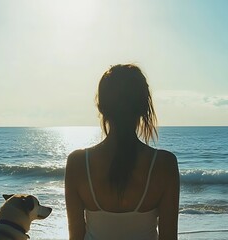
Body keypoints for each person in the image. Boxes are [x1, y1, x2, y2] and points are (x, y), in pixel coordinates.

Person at [65, 64, 180, 240]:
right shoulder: (165, 164)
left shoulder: (78, 163)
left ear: (101, 107)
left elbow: (75, 238)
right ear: (143, 107)